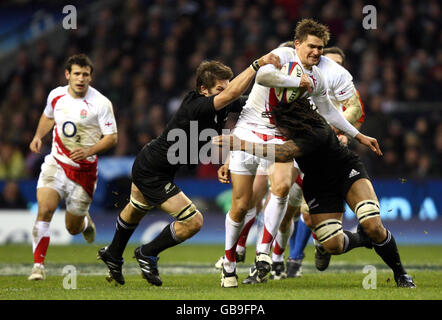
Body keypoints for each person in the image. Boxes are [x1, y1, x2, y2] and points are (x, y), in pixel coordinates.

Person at [97, 52, 281, 287]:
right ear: (204, 90)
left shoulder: (220, 101)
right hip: (152, 169)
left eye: (225, 87)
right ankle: (147, 252)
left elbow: (250, 101)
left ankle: (113, 253)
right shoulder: (197, 105)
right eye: (219, 89)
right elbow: (234, 93)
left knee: (136, 208)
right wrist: (257, 64)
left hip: (157, 164)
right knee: (193, 221)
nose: (224, 93)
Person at [220, 18, 380, 287]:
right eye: (312, 46)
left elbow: (329, 109)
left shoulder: (316, 77)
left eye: (320, 48)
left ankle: (265, 255)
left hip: (281, 135)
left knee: (282, 189)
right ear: (297, 45)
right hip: (248, 128)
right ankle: (229, 263)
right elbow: (262, 76)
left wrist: (358, 135)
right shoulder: (283, 57)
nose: (316, 52)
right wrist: (295, 82)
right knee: (241, 204)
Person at [213, 97, 416, 288]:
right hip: (318, 185)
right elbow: (251, 106)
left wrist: (241, 145)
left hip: (345, 172)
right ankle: (362, 239)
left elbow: (282, 152)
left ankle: (401, 274)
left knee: (372, 224)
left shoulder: (314, 131)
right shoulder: (296, 121)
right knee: (333, 245)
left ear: (288, 123)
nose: (277, 129)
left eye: (279, 125)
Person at [28, 53, 118, 281]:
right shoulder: (56, 95)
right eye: (76, 73)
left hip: (84, 172)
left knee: (72, 228)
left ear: (91, 77)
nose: (80, 78)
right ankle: (38, 265)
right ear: (67, 75)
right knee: (45, 210)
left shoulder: (101, 103)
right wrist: (38, 136)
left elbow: (112, 137)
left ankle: (85, 221)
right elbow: (48, 116)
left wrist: (88, 151)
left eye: (85, 74)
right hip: (56, 163)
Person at [286, 45, 367, 277]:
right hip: (306, 154)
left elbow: (358, 116)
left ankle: (317, 247)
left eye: (338, 64)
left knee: (313, 212)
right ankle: (297, 256)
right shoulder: (308, 87)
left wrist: (343, 136)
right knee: (304, 211)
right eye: (328, 62)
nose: (332, 67)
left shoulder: (347, 94)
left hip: (334, 158)